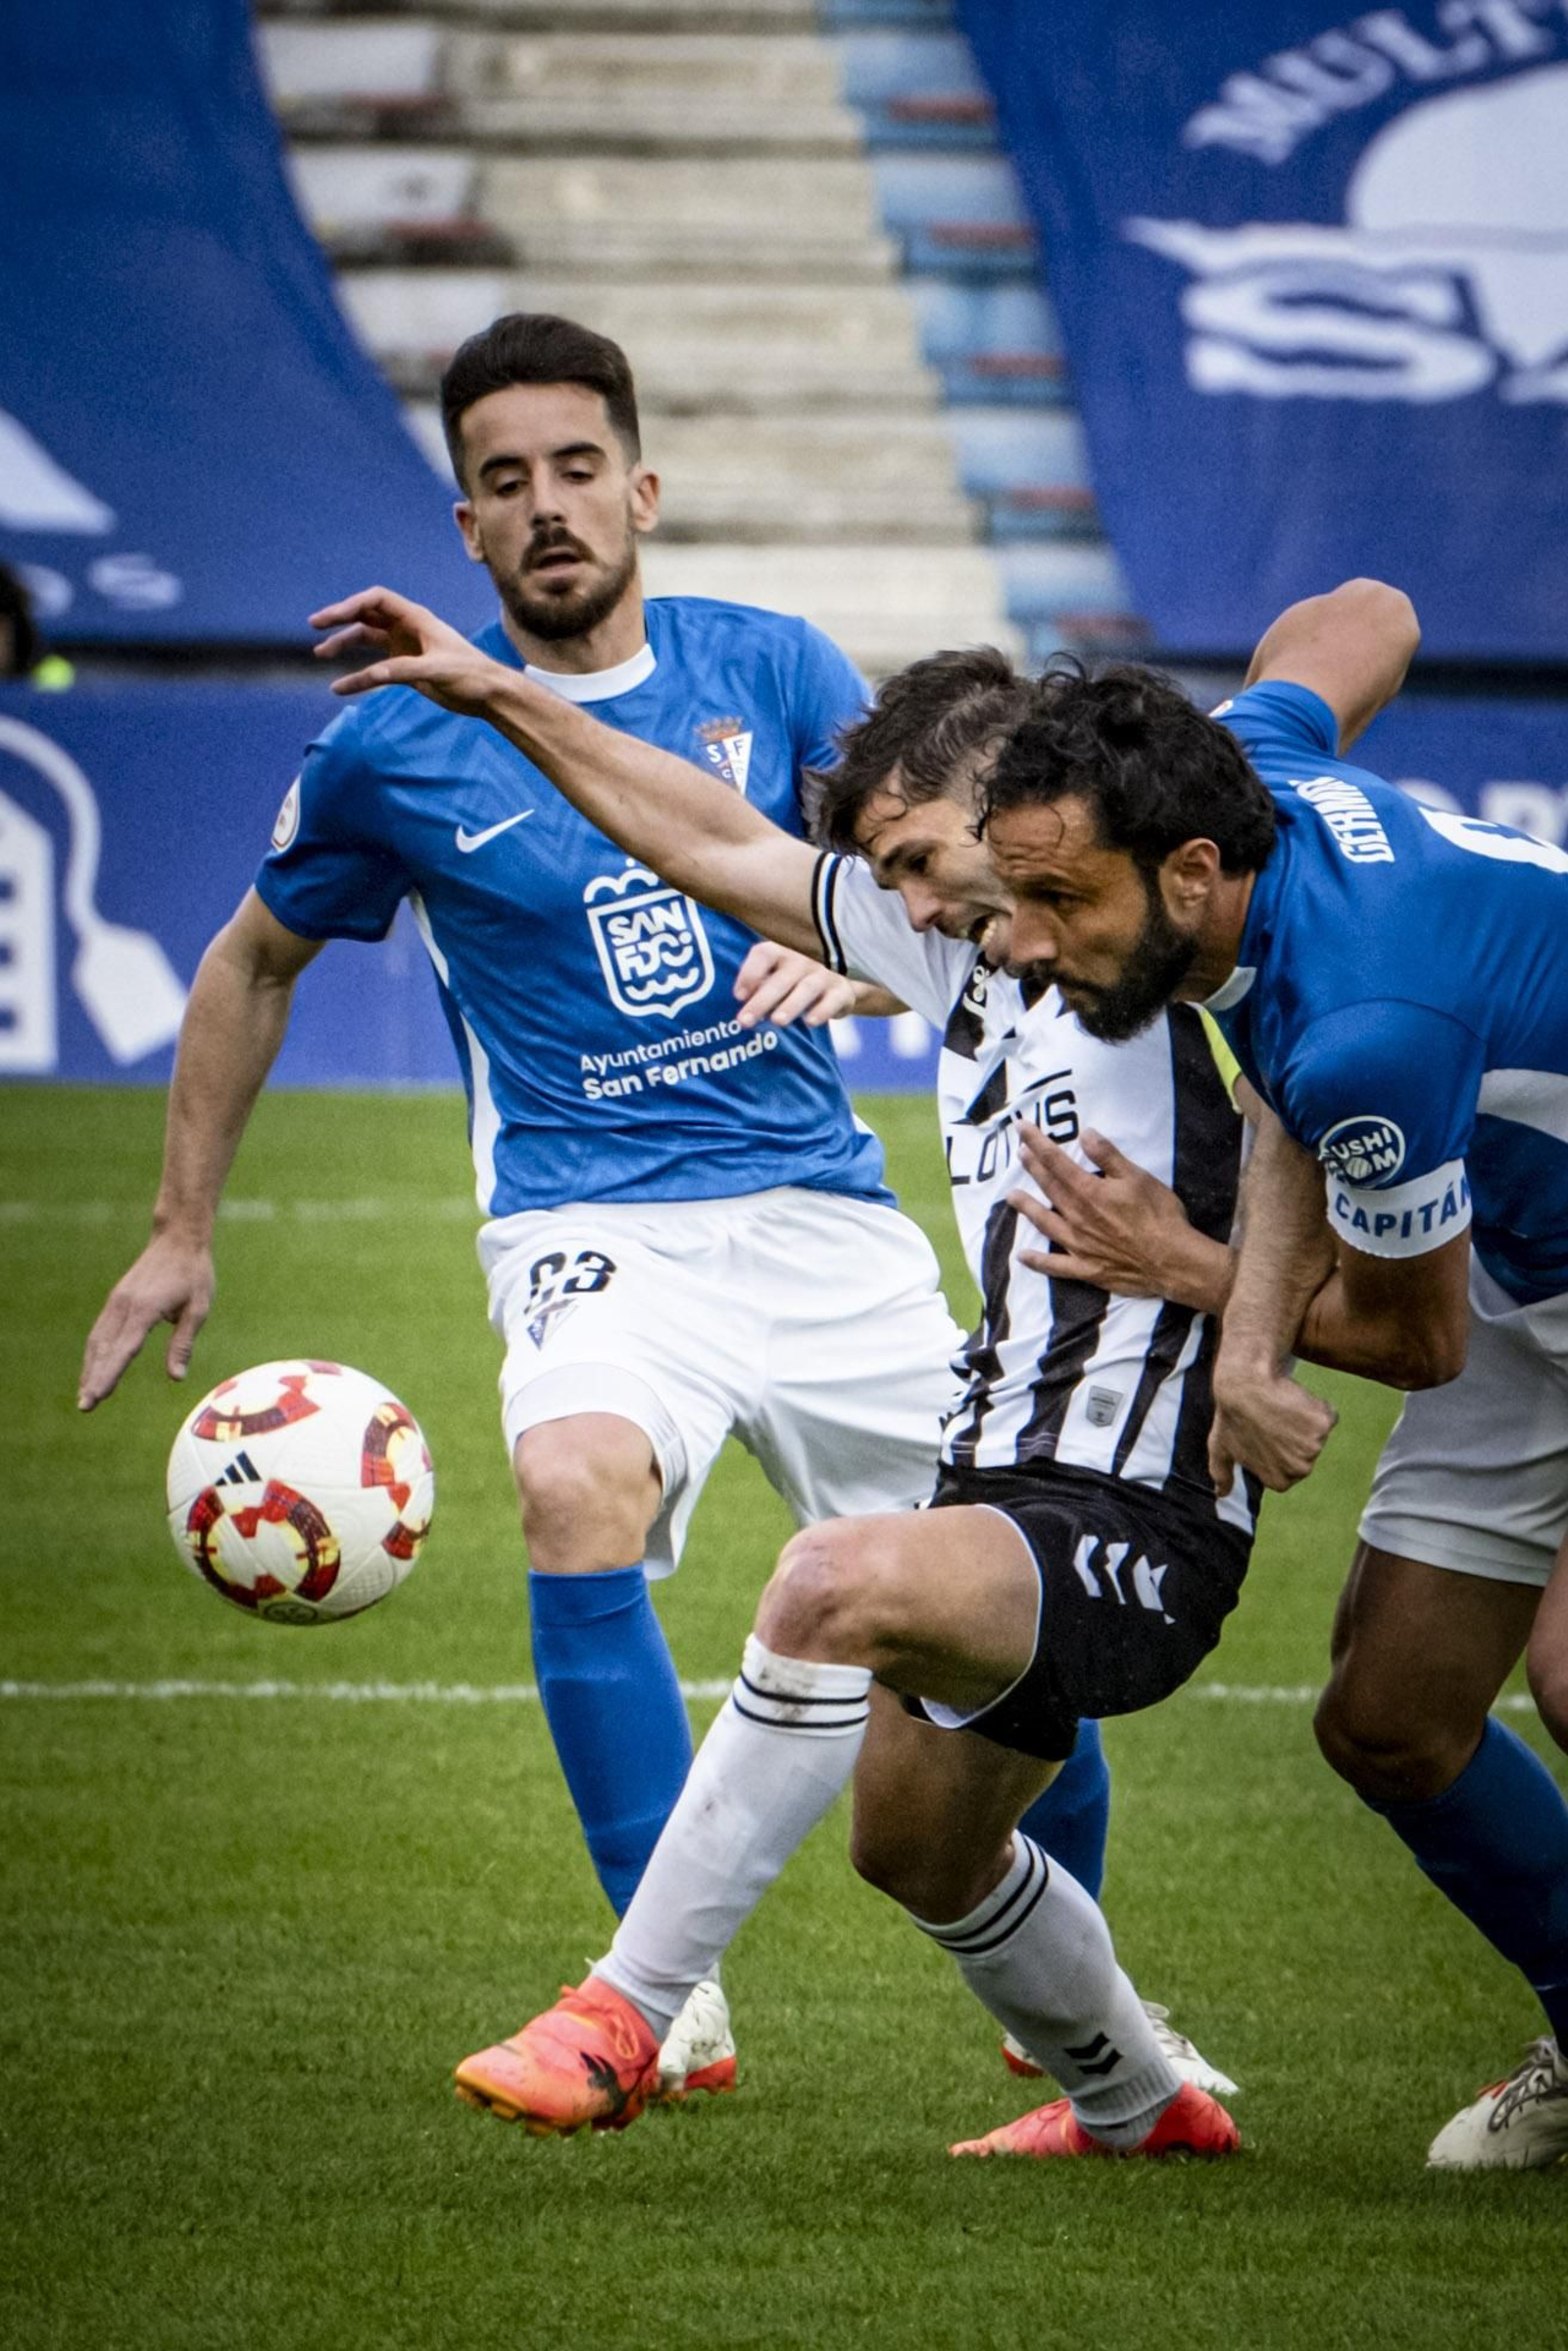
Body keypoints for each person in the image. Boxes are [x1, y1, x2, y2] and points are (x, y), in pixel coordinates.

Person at [76, 311, 1119, 2100]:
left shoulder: (775, 668)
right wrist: (183, 1223)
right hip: (591, 1226)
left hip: (819, 1209)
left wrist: (862, 982)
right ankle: (664, 1990)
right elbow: (253, 961)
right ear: (466, 531)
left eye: (575, 469)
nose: (547, 506)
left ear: (641, 486)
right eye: (504, 483)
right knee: (572, 1478)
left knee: (1000, 1592)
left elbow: (951, 889)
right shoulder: (395, 746)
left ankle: (1068, 2015)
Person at [302, 592, 1257, 2158]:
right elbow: (715, 844)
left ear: (1018, 807)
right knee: (917, 1853)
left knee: (822, 1588)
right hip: (1006, 1487)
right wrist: (501, 697)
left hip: (1136, 1518)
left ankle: (627, 2012)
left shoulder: (1137, 953)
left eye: (918, 867)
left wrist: (1236, 1306)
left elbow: (1342, 658)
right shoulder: (970, 951)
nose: (904, 908)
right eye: (883, 882)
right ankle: (1138, 2103)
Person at [941, 575, 1567, 2172]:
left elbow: (1415, 1341)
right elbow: (1372, 609)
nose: (1021, 945)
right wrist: (1251, 1343)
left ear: (1194, 872)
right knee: (1389, 1721)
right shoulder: (1243, 771)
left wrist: (1207, 1281)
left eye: (1058, 902)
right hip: (1525, 1256)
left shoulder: (1367, 1029)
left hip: (1479, 1278)